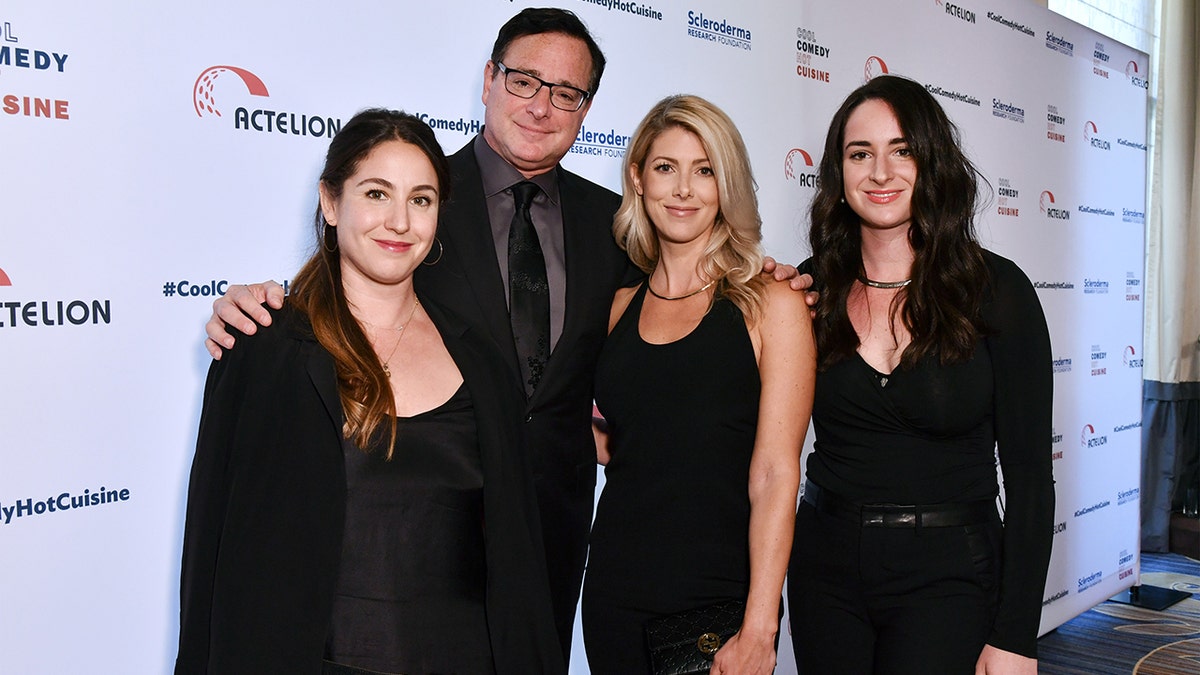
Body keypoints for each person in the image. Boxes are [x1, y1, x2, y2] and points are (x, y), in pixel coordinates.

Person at [201, 8, 812, 662]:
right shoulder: (424, 194)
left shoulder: (615, 231)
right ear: (489, 79)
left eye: (566, 93)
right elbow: (350, 282)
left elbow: (679, 342)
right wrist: (257, 302)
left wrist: (770, 278)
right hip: (403, 543)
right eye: (524, 81)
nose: (542, 106)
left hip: (558, 543)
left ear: (586, 110)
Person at [175, 109, 562, 674]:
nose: (400, 221)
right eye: (377, 193)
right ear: (331, 203)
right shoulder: (266, 349)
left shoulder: (482, 358)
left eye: (421, 199)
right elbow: (211, 549)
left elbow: (518, 564)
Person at [786, 75, 1054, 675]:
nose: (880, 172)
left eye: (901, 150)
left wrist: (1016, 636)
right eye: (860, 154)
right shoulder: (809, 291)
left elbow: (1032, 482)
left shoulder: (996, 291)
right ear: (839, 172)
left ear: (931, 161)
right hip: (824, 571)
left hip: (950, 577)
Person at [581, 95, 815, 675]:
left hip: (717, 598)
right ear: (637, 177)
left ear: (726, 185)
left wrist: (761, 625)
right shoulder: (616, 309)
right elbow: (627, 441)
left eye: (704, 170)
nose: (684, 189)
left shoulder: (771, 303)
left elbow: (776, 473)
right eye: (666, 168)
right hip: (614, 588)